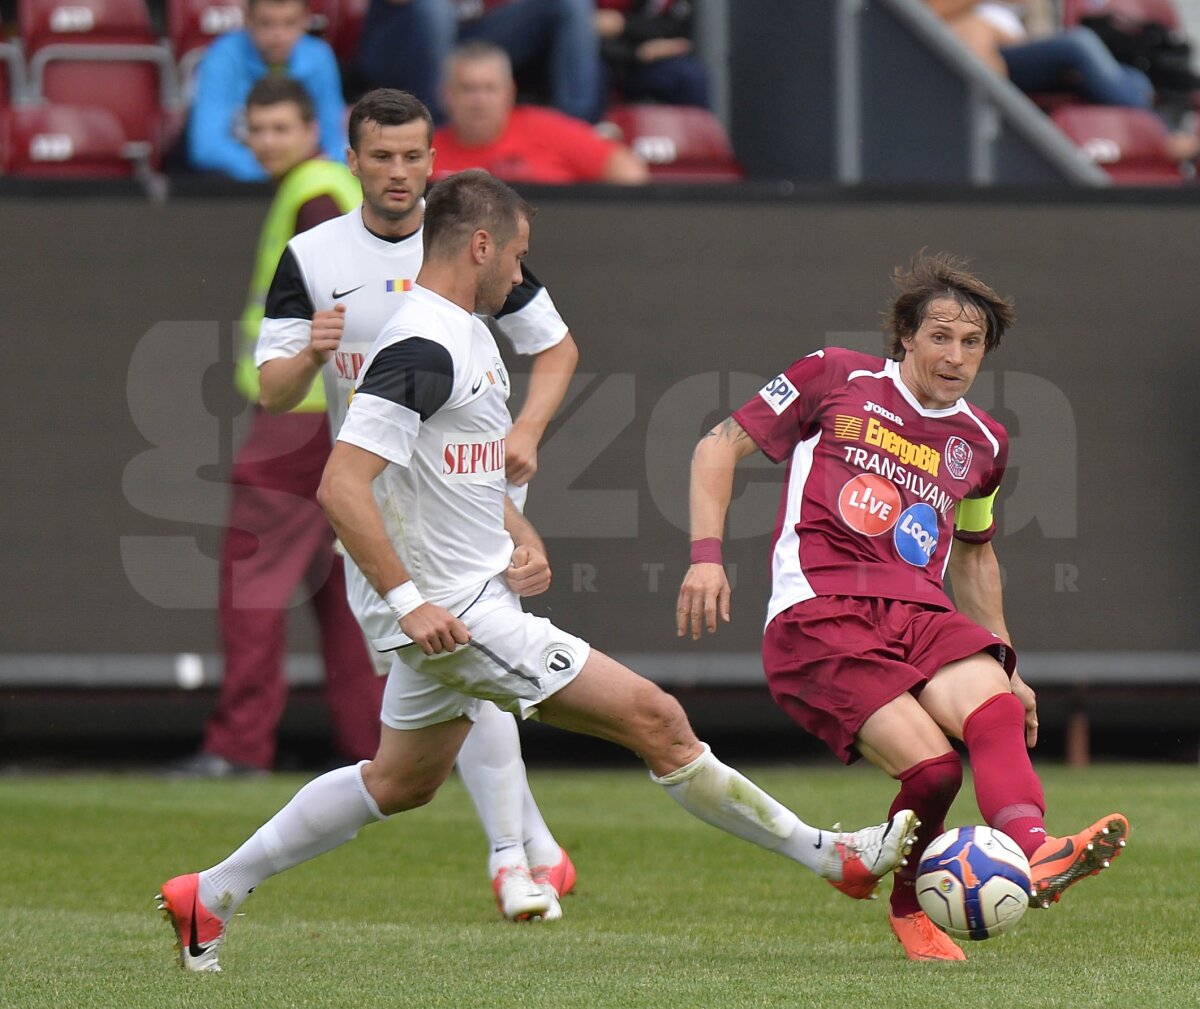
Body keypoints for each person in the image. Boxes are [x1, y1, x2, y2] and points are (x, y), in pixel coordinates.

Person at [156, 169, 918, 974]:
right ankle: (835, 859)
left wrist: (515, 527)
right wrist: (411, 603)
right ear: (480, 245)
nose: (522, 273)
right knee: (659, 721)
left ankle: (209, 892)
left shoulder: (466, 332)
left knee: (398, 782)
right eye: (517, 255)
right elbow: (341, 484)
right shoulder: (422, 345)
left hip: (470, 594)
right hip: (458, 613)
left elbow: (448, 473)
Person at [676, 250, 1129, 963]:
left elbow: (976, 554)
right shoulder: (833, 375)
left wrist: (1008, 659)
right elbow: (716, 447)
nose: (955, 355)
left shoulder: (983, 442)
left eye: (971, 341)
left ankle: (1036, 850)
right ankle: (906, 904)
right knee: (935, 773)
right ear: (906, 338)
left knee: (996, 706)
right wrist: (706, 556)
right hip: (818, 612)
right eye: (940, 336)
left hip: (917, 610)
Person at [244, 88, 581, 923]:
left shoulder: (466, 239)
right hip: (380, 498)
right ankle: (531, 846)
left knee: (455, 660)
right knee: (448, 670)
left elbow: (556, 344)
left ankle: (515, 859)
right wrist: (310, 353)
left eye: (413, 156)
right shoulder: (314, 256)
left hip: (460, 488)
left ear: (434, 161)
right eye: (381, 156)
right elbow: (272, 382)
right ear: (351, 161)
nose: (399, 172)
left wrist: (528, 432)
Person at [171, 76, 380, 779]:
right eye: (255, 129)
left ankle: (238, 745)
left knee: (251, 585)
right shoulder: (328, 189)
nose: (266, 142)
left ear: (313, 128)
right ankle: (373, 747)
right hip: (343, 419)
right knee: (343, 594)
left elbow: (340, 299)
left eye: (279, 128)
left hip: (300, 420)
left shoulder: (313, 195)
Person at [432, 41, 649, 185]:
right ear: (446, 95)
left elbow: (628, 171)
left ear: (510, 92)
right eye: (468, 89)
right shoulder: (423, 153)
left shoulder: (547, 129)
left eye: (490, 88)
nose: (479, 100)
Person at [357, 0, 603, 124]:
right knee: (435, 9)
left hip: (470, 33)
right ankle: (436, 128)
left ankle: (577, 125)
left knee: (568, 4)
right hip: (399, 43)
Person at [188, 0, 346, 181]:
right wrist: (281, 172)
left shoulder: (320, 57)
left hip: (305, 178)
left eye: (289, 23)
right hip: (241, 188)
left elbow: (334, 143)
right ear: (248, 20)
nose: (278, 35)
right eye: (266, 23)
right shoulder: (220, 57)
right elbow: (207, 147)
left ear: (305, 21)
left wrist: (302, 172)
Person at [594, 0, 711, 109]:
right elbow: (588, 35)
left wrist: (624, 25)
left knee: (690, 76)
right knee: (593, 72)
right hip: (609, 60)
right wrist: (635, 53)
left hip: (647, 66)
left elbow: (679, 34)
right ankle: (586, 129)